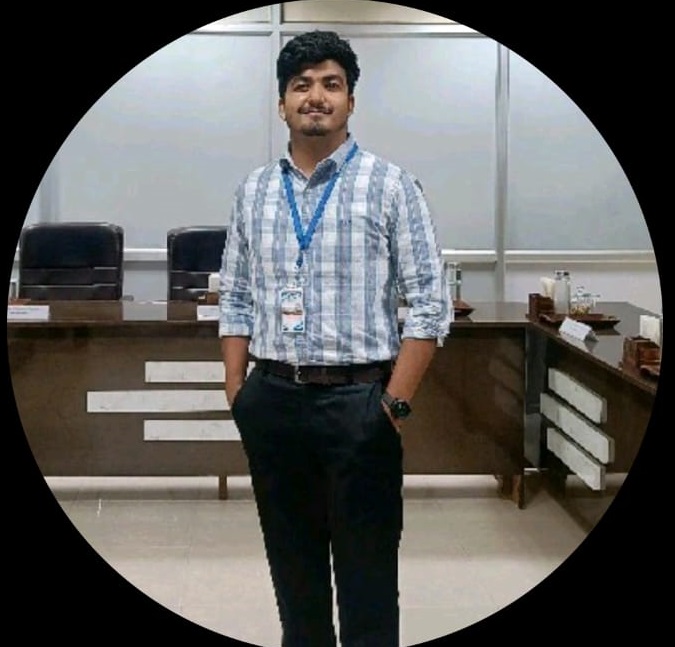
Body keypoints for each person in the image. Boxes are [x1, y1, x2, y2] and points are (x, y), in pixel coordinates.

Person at [218, 29, 452, 647]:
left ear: (351, 100)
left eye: (331, 84)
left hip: (360, 405)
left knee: (367, 577)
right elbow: (235, 297)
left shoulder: (392, 185)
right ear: (281, 104)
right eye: (301, 86)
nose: (316, 97)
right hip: (272, 400)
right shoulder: (253, 191)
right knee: (293, 574)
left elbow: (430, 306)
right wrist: (238, 390)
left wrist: (394, 404)